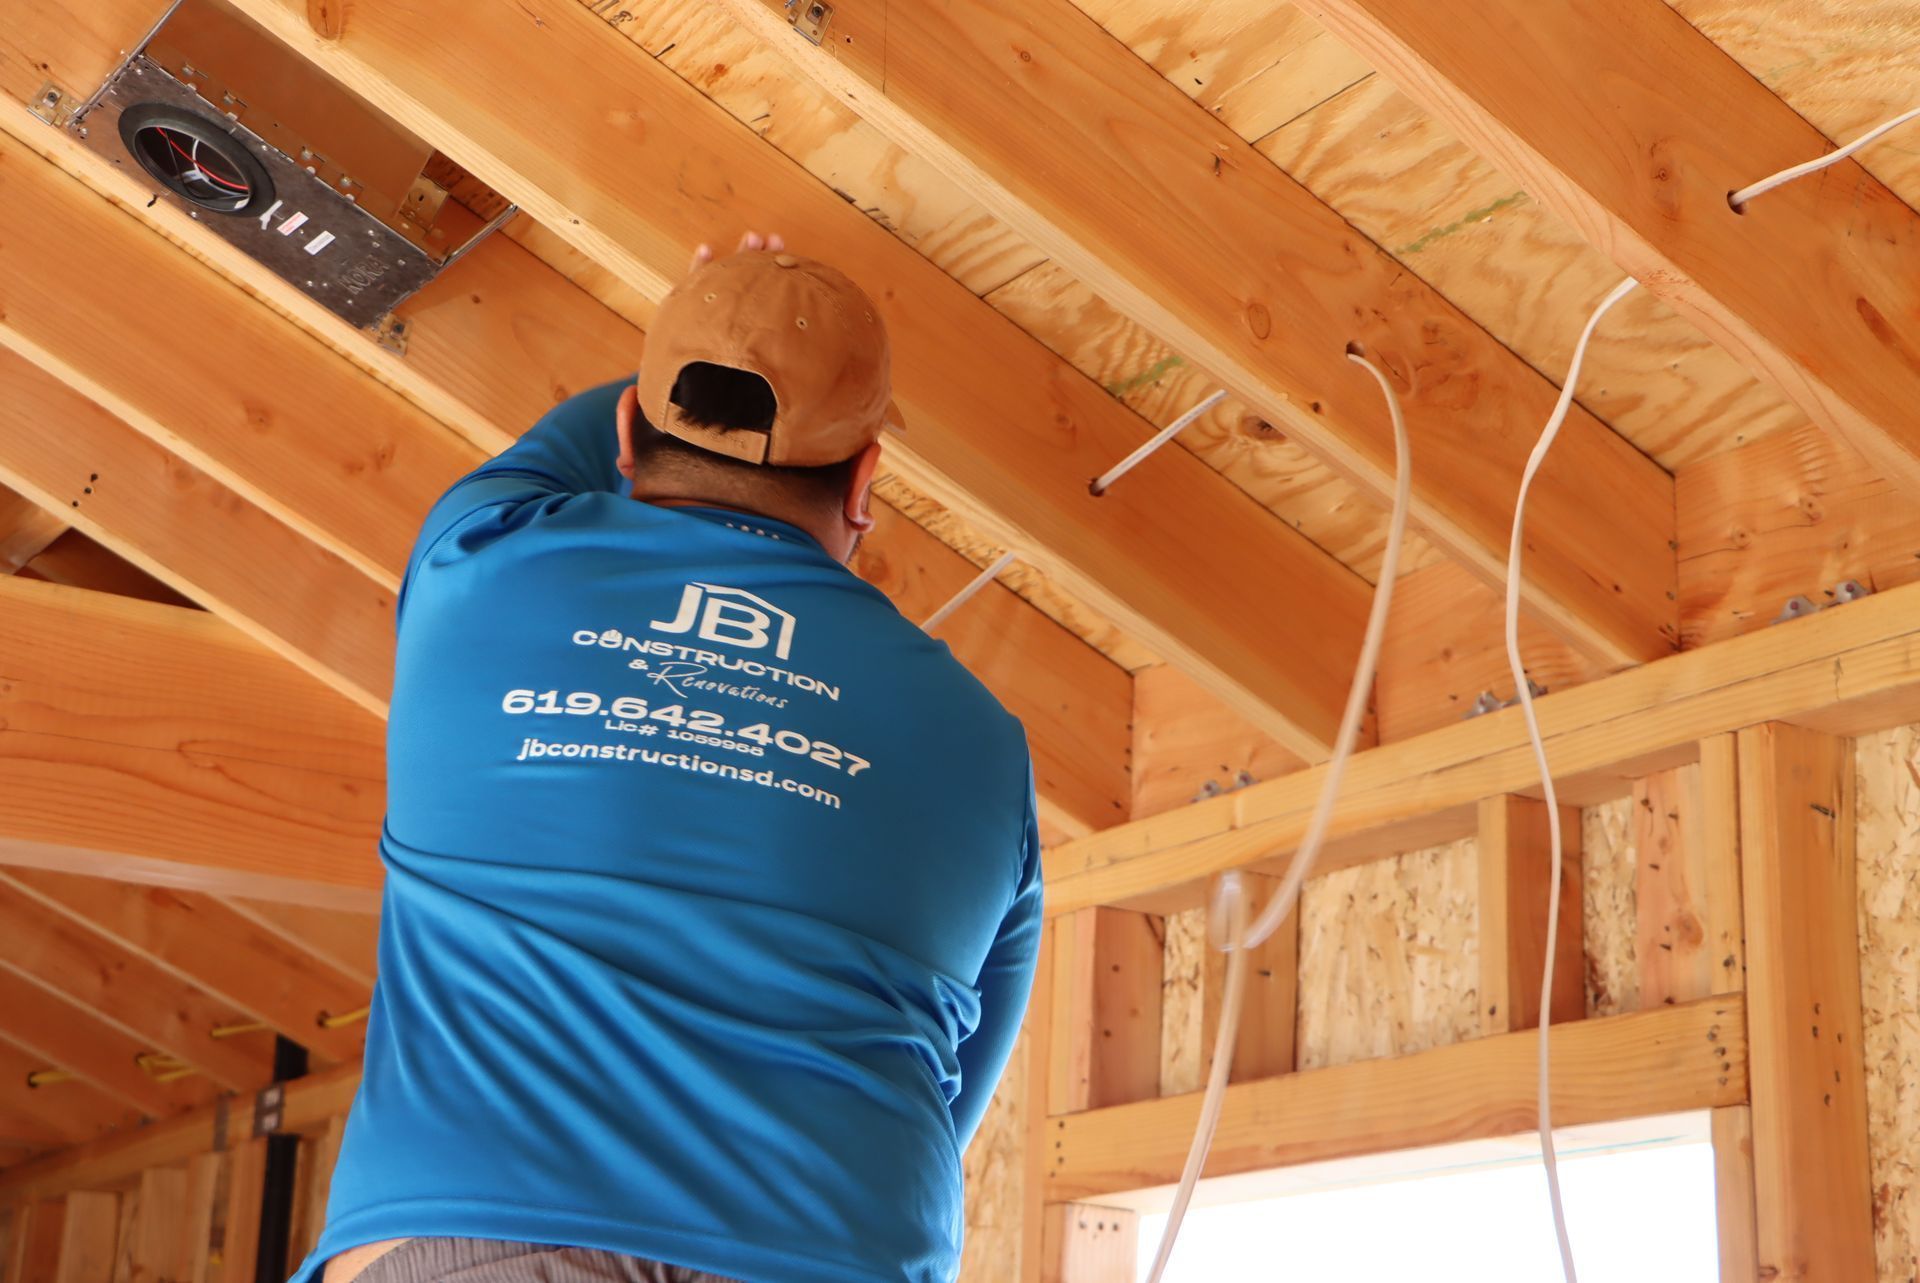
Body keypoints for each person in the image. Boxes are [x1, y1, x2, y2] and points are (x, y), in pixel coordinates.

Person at [295, 233, 1043, 1283]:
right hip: (825, 1248)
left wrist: (712, 317)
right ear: (865, 480)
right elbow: (954, 1079)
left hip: (477, 1221)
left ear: (626, 432)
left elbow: (558, 448)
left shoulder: (485, 564)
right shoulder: (981, 739)